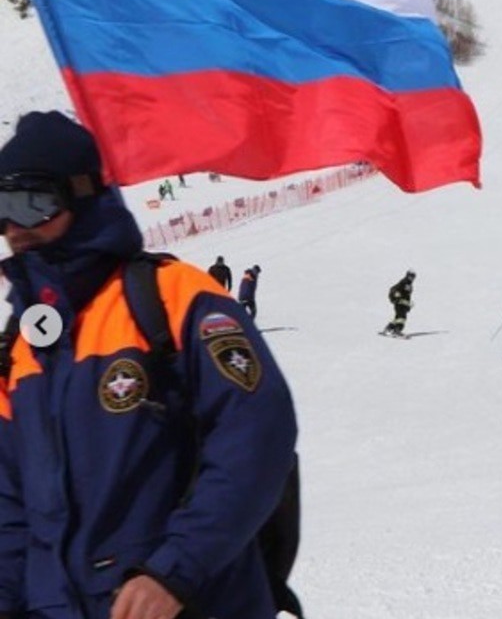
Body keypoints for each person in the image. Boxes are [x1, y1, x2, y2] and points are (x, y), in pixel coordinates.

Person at [0, 111, 298, 618]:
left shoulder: (171, 299)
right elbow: (8, 506)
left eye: (33, 203)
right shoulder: (19, 349)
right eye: (1, 208)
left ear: (83, 193)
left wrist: (176, 570)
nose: (14, 228)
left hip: (191, 602)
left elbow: (256, 437)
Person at [382, 270, 416, 336]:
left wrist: (408, 305)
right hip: (399, 303)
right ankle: (397, 330)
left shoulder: (409, 284)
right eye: (410, 276)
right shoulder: (404, 282)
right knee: (402, 317)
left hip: (403, 304)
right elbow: (394, 289)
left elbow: (407, 297)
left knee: (398, 317)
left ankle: (389, 328)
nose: (411, 278)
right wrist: (396, 295)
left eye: (413, 277)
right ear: (407, 275)